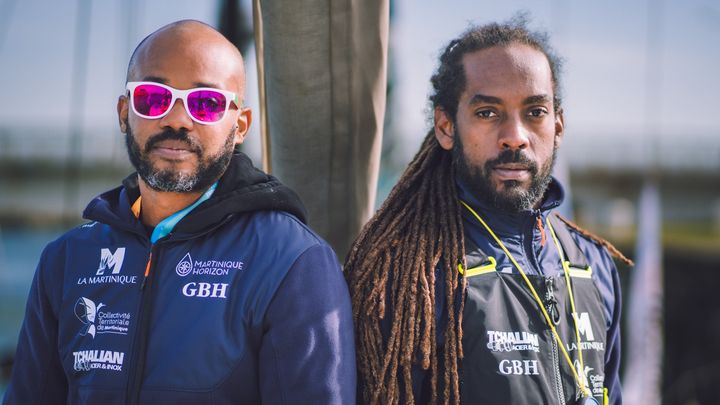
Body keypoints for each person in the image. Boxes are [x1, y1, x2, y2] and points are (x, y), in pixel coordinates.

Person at [4, 20, 355, 404]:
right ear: (125, 112)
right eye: (153, 98)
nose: (176, 119)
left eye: (206, 104)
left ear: (239, 126)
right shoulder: (66, 259)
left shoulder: (293, 262)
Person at [345, 17, 631, 405]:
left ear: (558, 126)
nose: (515, 135)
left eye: (535, 112)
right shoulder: (412, 274)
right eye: (488, 113)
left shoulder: (593, 265)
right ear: (446, 127)